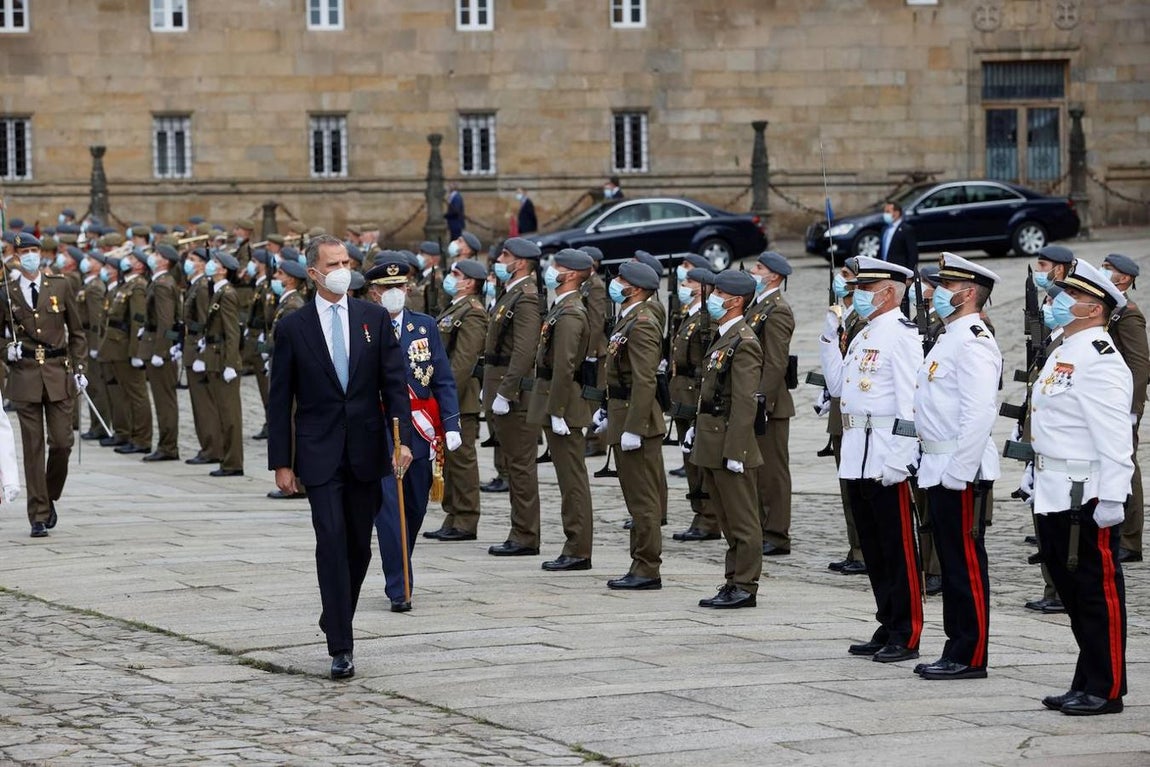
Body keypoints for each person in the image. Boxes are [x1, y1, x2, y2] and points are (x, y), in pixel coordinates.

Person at [267, 234, 413, 681]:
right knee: (330, 540)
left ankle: (335, 613)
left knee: (358, 547)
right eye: (333, 264)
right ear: (313, 272)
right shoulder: (294, 327)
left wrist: (402, 440)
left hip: (366, 449)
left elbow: (394, 384)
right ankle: (341, 646)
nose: (343, 271)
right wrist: (282, 462)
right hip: (319, 452)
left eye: (346, 262)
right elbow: (280, 399)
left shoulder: (373, 318)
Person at [1030, 258, 1132, 716]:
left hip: (1086, 494)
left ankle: (1107, 687)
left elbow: (1115, 435)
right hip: (1055, 487)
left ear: (1094, 309)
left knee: (1096, 592)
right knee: (1072, 592)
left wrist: (1113, 495)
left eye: (1072, 296)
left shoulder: (1101, 358)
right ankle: (1087, 677)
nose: (1059, 301)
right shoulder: (1066, 348)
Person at [819, 256, 924, 663]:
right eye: (858, 288)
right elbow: (837, 386)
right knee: (874, 547)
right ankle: (887, 619)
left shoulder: (901, 335)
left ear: (889, 293)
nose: (858, 295)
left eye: (866, 289)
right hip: (857, 453)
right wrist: (829, 338)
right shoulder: (864, 333)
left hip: (885, 455)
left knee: (898, 547)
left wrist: (901, 457)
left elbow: (910, 403)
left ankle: (907, 630)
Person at [911, 253, 1002, 680]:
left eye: (947, 286)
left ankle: (970, 654)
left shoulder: (974, 341)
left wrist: (959, 472)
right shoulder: (950, 336)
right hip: (939, 464)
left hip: (958, 470)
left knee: (964, 564)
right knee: (950, 562)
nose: (938, 293)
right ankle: (956, 646)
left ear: (967, 294)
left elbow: (979, 413)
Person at [365, 257, 461, 612]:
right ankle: (400, 586)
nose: (395, 293)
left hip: (420, 429)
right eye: (386, 288)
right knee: (390, 511)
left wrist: (452, 423)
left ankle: (400, 563)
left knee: (415, 507)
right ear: (374, 293)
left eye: (400, 287)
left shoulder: (424, 326)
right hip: (380, 428)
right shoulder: (363, 325)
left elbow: (442, 378)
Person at [0, 234, 87, 537]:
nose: (30, 256)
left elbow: (77, 332)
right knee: (33, 447)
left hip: (58, 373)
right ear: (15, 256)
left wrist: (79, 368)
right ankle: (37, 514)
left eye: (34, 250)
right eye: (24, 251)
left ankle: (48, 496)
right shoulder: (6, 292)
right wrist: (6, 350)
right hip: (25, 375)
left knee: (62, 442)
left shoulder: (60, 286)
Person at [688, 270, 764, 608]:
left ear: (735, 301)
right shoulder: (724, 336)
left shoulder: (743, 342)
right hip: (712, 439)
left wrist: (736, 450)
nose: (713, 297)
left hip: (730, 443)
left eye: (719, 293)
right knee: (726, 517)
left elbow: (745, 402)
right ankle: (732, 580)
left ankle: (745, 585)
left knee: (742, 520)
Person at [595, 261, 666, 590]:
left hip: (637, 421)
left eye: (622, 279)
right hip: (623, 413)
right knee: (636, 498)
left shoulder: (643, 322)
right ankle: (640, 563)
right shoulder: (631, 317)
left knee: (643, 500)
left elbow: (644, 379)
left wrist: (635, 427)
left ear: (635, 289)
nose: (616, 283)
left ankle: (647, 567)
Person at [529, 249, 594, 571]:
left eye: (557, 266)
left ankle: (578, 549)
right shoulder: (562, 306)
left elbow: (565, 366)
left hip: (565, 408)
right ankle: (575, 546)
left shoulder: (570, 313)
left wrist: (556, 410)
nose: (551, 269)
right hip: (558, 403)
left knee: (572, 481)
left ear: (570, 275)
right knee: (567, 479)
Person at [483, 237, 544, 555]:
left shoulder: (526, 298)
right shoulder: (512, 292)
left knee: (520, 466)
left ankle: (525, 535)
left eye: (505, 255)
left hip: (516, 395)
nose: (499, 260)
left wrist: (506, 391)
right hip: (501, 384)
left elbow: (524, 350)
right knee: (513, 462)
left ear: (520, 263)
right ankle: (520, 531)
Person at [424, 258, 489, 540]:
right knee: (449, 460)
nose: (450, 277)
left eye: (456, 274)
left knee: (462, 460)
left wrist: (444, 394)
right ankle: (452, 515)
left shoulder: (473, 312)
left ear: (469, 282)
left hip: (460, 398)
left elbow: (463, 361)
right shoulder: (455, 307)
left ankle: (466, 519)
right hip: (449, 397)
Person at [745, 251, 795, 556]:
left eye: (759, 267)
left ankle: (776, 534)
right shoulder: (759, 305)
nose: (753, 270)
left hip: (770, 406)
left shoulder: (777, 310)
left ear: (774, 276)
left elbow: (776, 363)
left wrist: (760, 401)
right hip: (757, 401)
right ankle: (763, 527)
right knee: (758, 472)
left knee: (772, 473)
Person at [1101, 254, 1149, 564]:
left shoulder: (1128, 315)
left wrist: (1131, 409)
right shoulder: (1111, 309)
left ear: (1125, 279)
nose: (1104, 272)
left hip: (1124, 404)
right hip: (1108, 401)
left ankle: (1131, 540)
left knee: (1126, 465)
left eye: (1110, 270)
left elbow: (1140, 365)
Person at [824, 258, 868, 575]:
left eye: (846, 275)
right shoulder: (845, 318)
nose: (840, 280)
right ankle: (856, 548)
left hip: (857, 415)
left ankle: (864, 550)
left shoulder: (862, 323)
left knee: (858, 489)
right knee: (847, 489)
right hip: (841, 413)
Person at [670, 266, 719, 542]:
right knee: (689, 459)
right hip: (681, 394)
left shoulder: (706, 320)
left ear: (702, 288)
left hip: (694, 394)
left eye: (689, 282)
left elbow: (706, 364)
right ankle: (700, 514)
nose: (683, 285)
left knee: (699, 460)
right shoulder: (690, 315)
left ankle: (709, 518)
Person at [263, 258, 309, 500]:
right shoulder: (287, 301)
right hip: (283, 366)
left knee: (292, 423)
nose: (276, 278)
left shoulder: (293, 304)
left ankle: (298, 482)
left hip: (293, 372)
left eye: (280, 274)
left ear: (290, 279)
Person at [197, 249, 244, 477]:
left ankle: (233, 463)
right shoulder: (218, 291)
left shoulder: (227, 293)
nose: (211, 264)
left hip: (223, 359)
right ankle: (227, 460)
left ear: (224, 270)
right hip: (215, 357)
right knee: (222, 413)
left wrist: (231, 364)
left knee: (229, 415)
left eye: (215, 262)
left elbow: (232, 332)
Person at [101, 247, 152, 455]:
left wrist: (137, 352)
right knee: (125, 393)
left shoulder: (138, 286)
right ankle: (130, 434)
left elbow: (138, 321)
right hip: (116, 347)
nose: (126, 260)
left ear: (139, 265)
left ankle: (142, 439)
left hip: (126, 348)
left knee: (137, 394)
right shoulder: (127, 285)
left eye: (131, 257)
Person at [139, 244, 182, 461]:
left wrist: (160, 351)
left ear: (165, 261)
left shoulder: (163, 284)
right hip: (155, 345)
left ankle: (168, 447)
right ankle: (166, 445)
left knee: (165, 401)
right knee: (163, 399)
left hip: (160, 351)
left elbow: (166, 321)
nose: (152, 257)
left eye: (157, 254)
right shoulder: (160, 281)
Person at [178, 247, 221, 466]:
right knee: (199, 403)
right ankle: (208, 446)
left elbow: (206, 322)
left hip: (198, 349)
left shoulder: (202, 286)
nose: (189, 262)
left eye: (193, 259)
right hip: (191, 346)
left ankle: (212, 448)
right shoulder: (195, 284)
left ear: (203, 264)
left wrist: (201, 354)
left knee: (204, 404)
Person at [879, 200, 917, 270]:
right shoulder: (884, 229)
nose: (885, 214)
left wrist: (910, 272)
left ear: (896, 213)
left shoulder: (906, 229)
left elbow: (912, 254)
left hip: (899, 270)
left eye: (888, 212)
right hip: (884, 270)